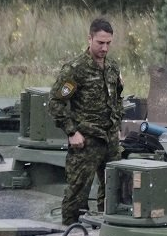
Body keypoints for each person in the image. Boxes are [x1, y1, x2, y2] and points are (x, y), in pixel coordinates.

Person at [48, 17, 123, 225]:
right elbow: (56, 102)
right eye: (100, 42)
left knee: (113, 190)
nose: (105, 48)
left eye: (108, 43)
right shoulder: (76, 70)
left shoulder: (112, 67)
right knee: (78, 192)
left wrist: (117, 125)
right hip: (86, 140)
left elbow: (117, 97)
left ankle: (107, 228)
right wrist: (71, 132)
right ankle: (72, 234)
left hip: (110, 139)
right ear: (89, 39)